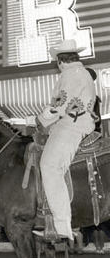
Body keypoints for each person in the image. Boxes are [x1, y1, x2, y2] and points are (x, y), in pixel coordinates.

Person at [35, 39, 96, 240]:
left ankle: (60, 226)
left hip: (71, 125)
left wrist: (41, 119)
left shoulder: (70, 75)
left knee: (50, 166)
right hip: (72, 122)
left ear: (61, 61)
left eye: (57, 61)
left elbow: (61, 105)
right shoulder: (80, 73)